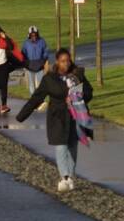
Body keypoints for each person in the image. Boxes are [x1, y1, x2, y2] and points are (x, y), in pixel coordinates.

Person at [16, 48, 93, 192]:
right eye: (63, 61)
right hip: (57, 117)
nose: (66, 64)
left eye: (68, 61)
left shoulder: (77, 75)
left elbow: (89, 93)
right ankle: (64, 177)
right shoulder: (49, 78)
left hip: (75, 116)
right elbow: (36, 98)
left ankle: (70, 177)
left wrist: (78, 96)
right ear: (57, 62)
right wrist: (21, 116)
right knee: (61, 146)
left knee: (72, 147)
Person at [21, 25, 50, 94]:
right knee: (31, 84)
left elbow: (46, 51)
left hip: (39, 66)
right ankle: (33, 98)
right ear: (29, 35)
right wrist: (25, 62)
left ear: (37, 34)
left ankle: (39, 98)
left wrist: (43, 60)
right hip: (29, 66)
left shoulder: (42, 41)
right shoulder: (26, 43)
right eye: (32, 35)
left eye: (35, 35)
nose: (34, 37)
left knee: (40, 84)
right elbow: (23, 53)